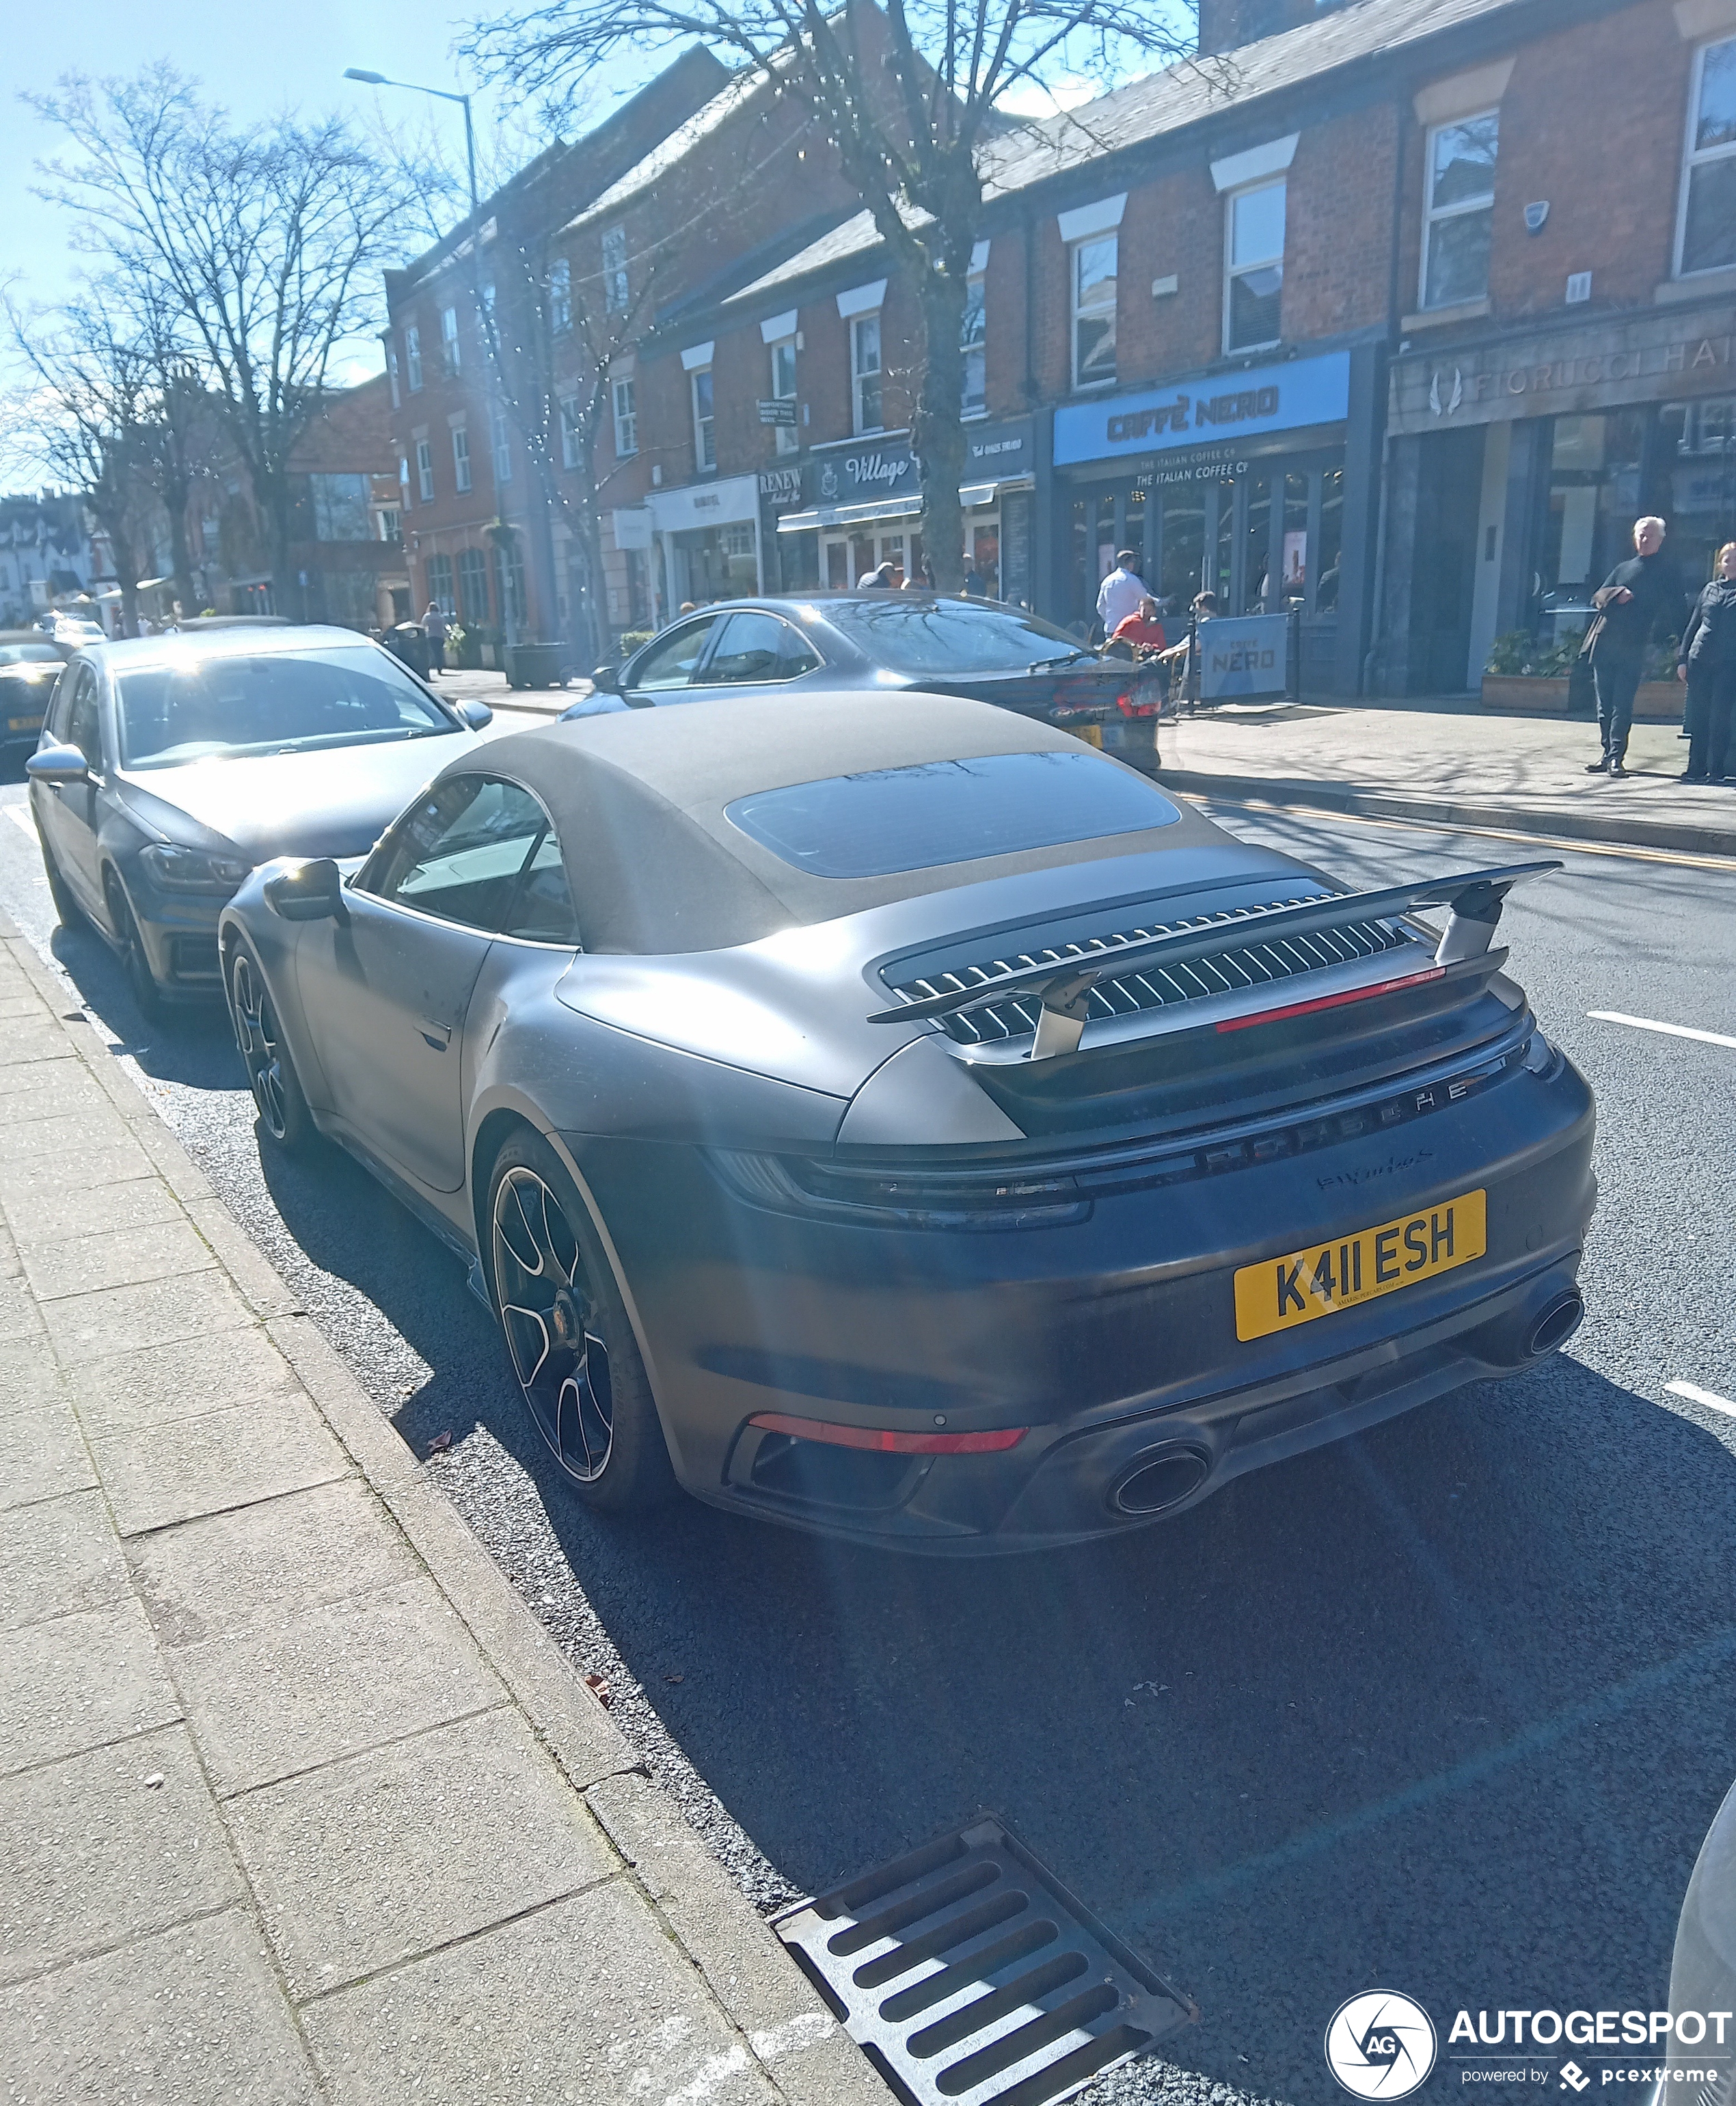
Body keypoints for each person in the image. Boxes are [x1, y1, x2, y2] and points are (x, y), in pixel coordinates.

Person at [1585, 516, 1683, 779]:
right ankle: (1607, 754)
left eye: (1650, 535)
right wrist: (1618, 594)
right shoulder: (1623, 568)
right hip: (1605, 645)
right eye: (1640, 534)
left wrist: (1681, 645)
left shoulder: (1667, 572)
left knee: (1622, 705)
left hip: (1634, 647)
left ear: (1661, 539)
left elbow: (1678, 610)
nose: (1644, 539)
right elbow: (1596, 598)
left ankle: (1617, 757)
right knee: (1604, 706)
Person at [1677, 541, 1736, 782]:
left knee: (1720, 717)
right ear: (1720, 564)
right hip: (1700, 659)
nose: (1731, 563)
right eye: (1727, 559)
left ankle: (1717, 769)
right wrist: (1683, 659)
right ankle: (1696, 767)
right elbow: (1694, 625)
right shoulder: (1709, 589)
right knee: (1699, 717)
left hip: (1729, 662)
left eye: (1735, 559)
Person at [1096, 549, 1145, 638]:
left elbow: (1100, 606)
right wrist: (1163, 602)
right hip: (1128, 629)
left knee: (1111, 648)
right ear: (1129, 564)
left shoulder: (1107, 580)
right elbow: (1145, 600)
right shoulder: (1132, 580)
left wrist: (1109, 619)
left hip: (1111, 628)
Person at [422, 599, 448, 675]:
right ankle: (440, 667)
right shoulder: (441, 617)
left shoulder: (427, 616)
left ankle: (433, 665)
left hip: (431, 636)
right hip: (440, 636)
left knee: (433, 652)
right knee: (439, 652)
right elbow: (444, 627)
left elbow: (423, 625)